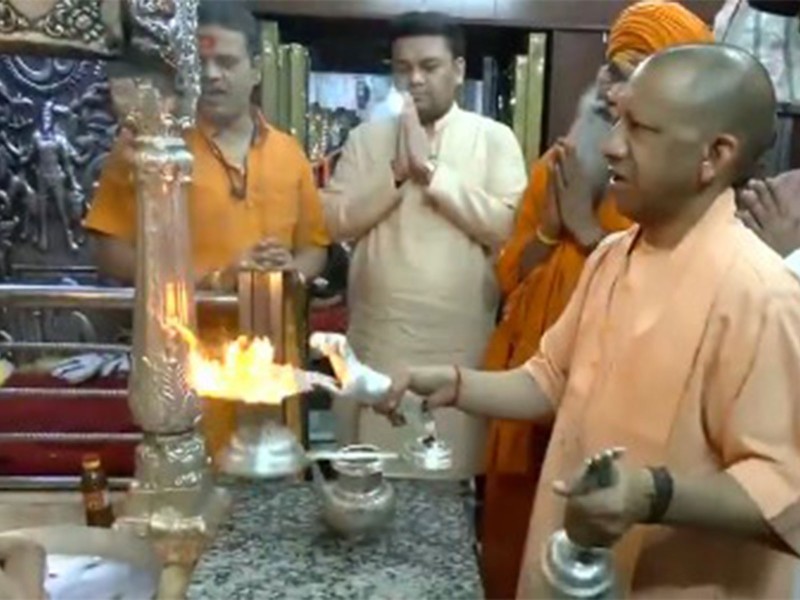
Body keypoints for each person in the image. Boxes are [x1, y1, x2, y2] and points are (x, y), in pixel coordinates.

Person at [380, 44, 800, 598]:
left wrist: (651, 494)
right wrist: (455, 384)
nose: (611, 145)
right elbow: (551, 379)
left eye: (640, 129)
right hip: (573, 567)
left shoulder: (761, 295)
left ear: (714, 155)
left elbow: (783, 488)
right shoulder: (611, 256)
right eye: (617, 120)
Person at [479, 2, 713, 596]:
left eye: (635, 76)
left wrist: (585, 227)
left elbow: (665, 292)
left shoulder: (677, 194)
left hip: (611, 408)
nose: (613, 90)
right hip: (534, 383)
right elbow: (510, 279)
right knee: (510, 549)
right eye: (612, 69)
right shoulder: (556, 166)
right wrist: (550, 228)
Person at [84, 1, 329, 460]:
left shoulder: (290, 154)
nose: (213, 75)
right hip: (184, 362)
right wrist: (213, 279)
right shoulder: (151, 147)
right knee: (190, 481)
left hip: (272, 361)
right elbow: (109, 252)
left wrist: (289, 271)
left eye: (227, 62)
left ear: (256, 69)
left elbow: (314, 248)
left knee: (274, 483)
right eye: (201, 63)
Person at [322, 11, 527, 478]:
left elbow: (508, 227)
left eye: (429, 66)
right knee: (372, 479)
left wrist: (430, 173)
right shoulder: (365, 139)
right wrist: (397, 173)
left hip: (458, 348)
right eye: (403, 67)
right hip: (379, 340)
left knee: (447, 477)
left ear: (458, 70)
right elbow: (333, 221)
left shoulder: (494, 139)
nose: (414, 79)